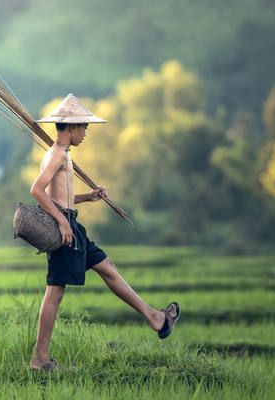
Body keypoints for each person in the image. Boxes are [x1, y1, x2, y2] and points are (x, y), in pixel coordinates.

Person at [28, 94, 180, 372]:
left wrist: (89, 197)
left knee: (107, 267)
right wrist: (62, 223)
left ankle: (156, 318)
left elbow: (61, 196)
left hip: (73, 225)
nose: (86, 133)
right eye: (84, 127)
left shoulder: (61, 154)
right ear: (72, 127)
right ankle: (39, 360)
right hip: (66, 229)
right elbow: (37, 190)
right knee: (55, 291)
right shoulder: (57, 155)